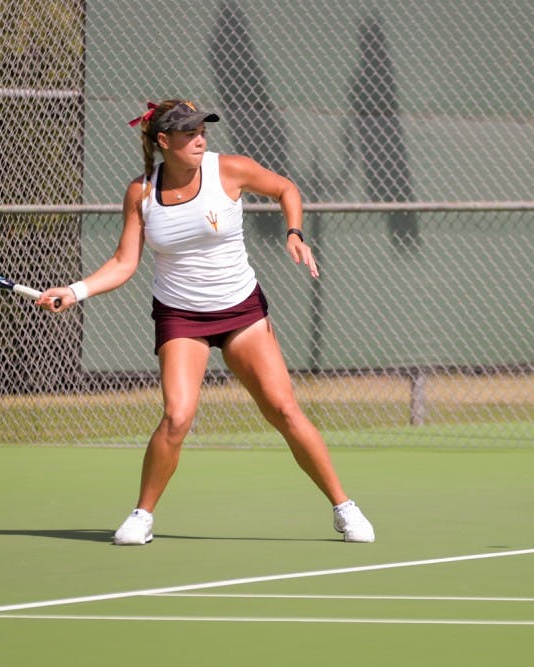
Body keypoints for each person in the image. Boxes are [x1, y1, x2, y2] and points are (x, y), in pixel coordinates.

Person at [37, 99, 375, 545]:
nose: (200, 139)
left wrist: (294, 232)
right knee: (177, 417)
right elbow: (124, 262)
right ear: (163, 142)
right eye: (188, 133)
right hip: (180, 317)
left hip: (241, 311)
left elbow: (286, 189)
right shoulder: (141, 193)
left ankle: (343, 507)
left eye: (203, 130)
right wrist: (76, 291)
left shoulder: (229, 170)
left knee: (283, 409)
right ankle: (142, 515)